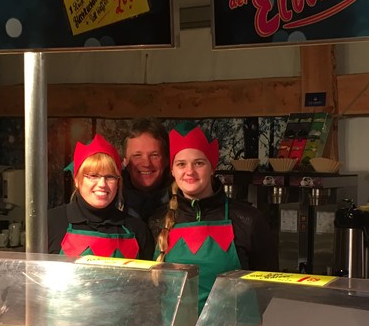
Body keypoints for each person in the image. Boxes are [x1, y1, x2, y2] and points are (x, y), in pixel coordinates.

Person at [153, 124, 277, 312]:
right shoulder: (157, 221)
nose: (189, 171)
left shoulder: (249, 221)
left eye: (199, 163)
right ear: (172, 170)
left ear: (213, 168)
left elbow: (267, 286)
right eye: (181, 164)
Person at [47, 134, 154, 260]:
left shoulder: (138, 229)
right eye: (93, 176)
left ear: (118, 182)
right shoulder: (49, 223)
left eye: (110, 177)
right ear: (76, 180)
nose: (102, 184)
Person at [121, 117, 172, 222]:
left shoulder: (182, 204)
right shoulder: (110, 201)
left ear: (167, 159)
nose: (147, 164)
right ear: (125, 161)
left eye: (154, 155)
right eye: (137, 155)